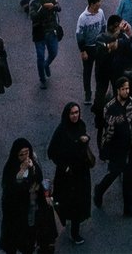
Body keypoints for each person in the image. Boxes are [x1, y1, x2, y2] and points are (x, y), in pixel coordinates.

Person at [47, 101, 94, 247]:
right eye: (72, 113)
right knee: (67, 202)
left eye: (77, 112)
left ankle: (75, 231)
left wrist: (84, 140)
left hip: (81, 172)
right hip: (67, 175)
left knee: (79, 203)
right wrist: (64, 167)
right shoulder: (61, 130)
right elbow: (52, 152)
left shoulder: (81, 125)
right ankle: (70, 225)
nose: (75, 116)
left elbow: (82, 145)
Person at [0, 138, 56, 254]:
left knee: (33, 234)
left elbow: (39, 178)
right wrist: (22, 172)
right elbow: (10, 188)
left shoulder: (32, 162)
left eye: (27, 153)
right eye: (21, 154)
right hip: (17, 210)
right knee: (16, 237)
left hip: (32, 204)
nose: (25, 157)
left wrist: (33, 169)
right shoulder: (11, 168)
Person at [95, 77, 132, 217]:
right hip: (117, 149)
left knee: (128, 175)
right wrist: (105, 150)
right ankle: (99, 190)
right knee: (114, 173)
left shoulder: (131, 102)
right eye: (123, 89)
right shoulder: (110, 108)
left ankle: (128, 208)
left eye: (128, 88)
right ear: (117, 90)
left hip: (130, 145)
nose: (126, 91)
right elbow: (107, 131)